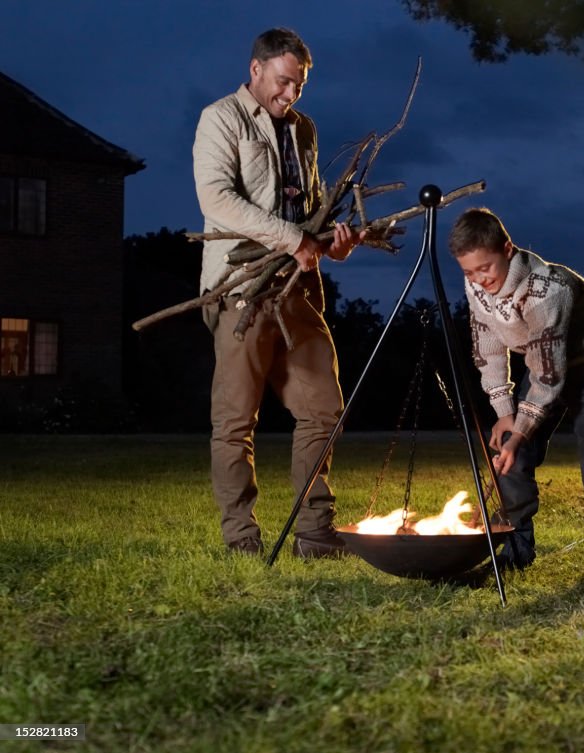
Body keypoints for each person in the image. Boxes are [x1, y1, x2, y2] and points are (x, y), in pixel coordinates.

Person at [193, 27, 363, 558]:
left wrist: (330, 242)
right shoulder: (220, 119)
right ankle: (241, 537)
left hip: (297, 291)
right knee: (236, 419)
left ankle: (314, 534)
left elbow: (310, 208)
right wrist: (292, 239)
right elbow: (216, 197)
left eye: (300, 85)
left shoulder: (304, 129)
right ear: (256, 70)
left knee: (323, 407)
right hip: (240, 289)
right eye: (284, 82)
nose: (291, 94)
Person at [449, 208, 584, 587]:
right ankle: (517, 550)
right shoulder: (477, 285)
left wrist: (522, 430)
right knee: (515, 452)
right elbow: (489, 348)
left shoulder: (547, 289)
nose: (480, 280)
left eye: (486, 268)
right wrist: (505, 414)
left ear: (507, 249)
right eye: (469, 272)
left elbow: (548, 376)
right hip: (544, 359)